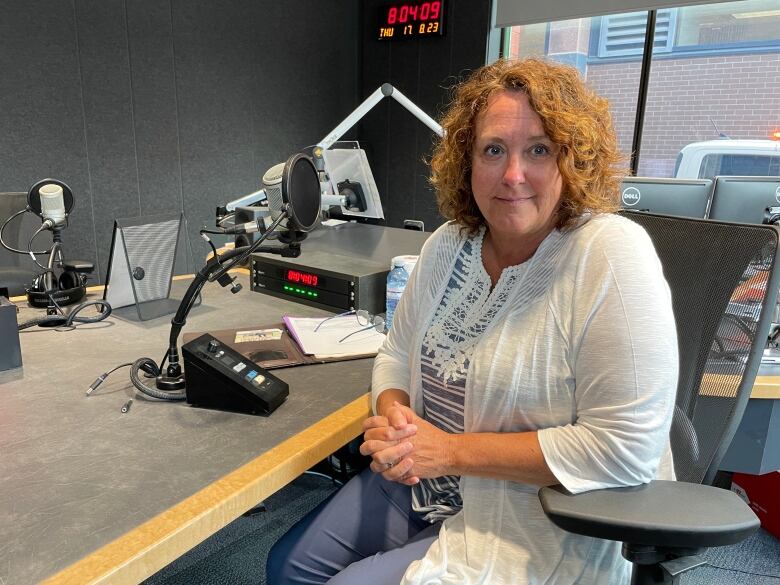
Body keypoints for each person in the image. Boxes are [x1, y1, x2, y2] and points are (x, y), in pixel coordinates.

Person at [266, 57, 678, 585]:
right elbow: (395, 353)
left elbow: (623, 450)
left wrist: (449, 452)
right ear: (467, 159)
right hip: (422, 480)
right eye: (493, 150)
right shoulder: (447, 246)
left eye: (538, 149)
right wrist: (397, 420)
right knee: (287, 567)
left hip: (537, 518)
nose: (513, 174)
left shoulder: (610, 254)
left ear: (572, 159)